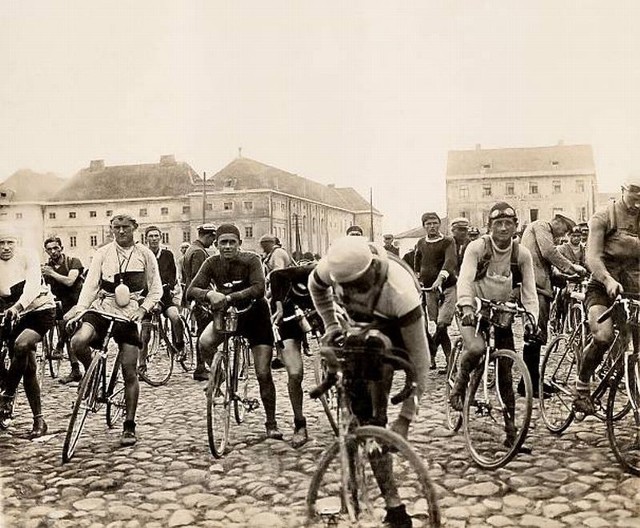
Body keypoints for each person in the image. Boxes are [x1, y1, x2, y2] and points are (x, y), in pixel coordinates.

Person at [308, 236, 429, 528]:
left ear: (373, 269)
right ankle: (356, 439)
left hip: (394, 329)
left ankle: (394, 508)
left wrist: (406, 417)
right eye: (346, 288)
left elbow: (420, 361)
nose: (352, 292)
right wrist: (331, 324)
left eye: (359, 286)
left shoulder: (399, 290)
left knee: (377, 419)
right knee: (357, 410)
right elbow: (315, 285)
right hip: (358, 329)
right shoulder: (332, 267)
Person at [63, 214, 163, 446]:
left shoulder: (145, 255)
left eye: (125, 227)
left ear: (134, 228)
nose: (120, 232)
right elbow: (90, 286)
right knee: (78, 341)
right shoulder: (103, 252)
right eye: (116, 228)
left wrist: (143, 309)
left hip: (129, 312)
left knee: (129, 369)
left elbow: (155, 289)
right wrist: (80, 310)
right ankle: (92, 378)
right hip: (102, 306)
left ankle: (129, 425)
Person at [449, 203, 539, 444]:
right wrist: (466, 306)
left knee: (505, 373)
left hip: (499, 313)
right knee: (477, 348)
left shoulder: (521, 254)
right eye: (497, 223)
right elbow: (465, 279)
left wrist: (532, 319)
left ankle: (511, 432)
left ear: (516, 227)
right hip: (473, 310)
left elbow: (530, 291)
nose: (503, 228)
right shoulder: (477, 247)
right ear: (489, 226)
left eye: (508, 223)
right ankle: (459, 385)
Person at [187, 223, 283, 439]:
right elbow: (191, 289)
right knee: (204, 342)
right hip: (228, 315)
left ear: (240, 244)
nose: (227, 246)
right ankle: (219, 376)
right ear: (217, 245)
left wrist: (229, 297)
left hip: (255, 316)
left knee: (263, 372)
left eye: (232, 242)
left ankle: (271, 422)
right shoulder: (211, 262)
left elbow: (259, 288)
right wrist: (208, 295)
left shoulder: (252, 260)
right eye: (223, 243)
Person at [573, 176, 640, 413]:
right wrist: (607, 279)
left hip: (633, 289)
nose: (638, 200)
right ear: (623, 189)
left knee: (636, 347)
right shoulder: (604, 216)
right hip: (602, 286)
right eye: (635, 193)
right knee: (603, 336)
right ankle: (582, 389)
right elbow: (592, 256)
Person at [520, 212, 587, 397]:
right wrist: (572, 267)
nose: (563, 235)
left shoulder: (544, 232)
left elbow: (546, 267)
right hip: (535, 288)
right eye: (564, 229)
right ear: (556, 221)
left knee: (537, 335)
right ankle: (529, 384)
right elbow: (549, 253)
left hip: (540, 286)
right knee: (534, 334)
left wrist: (568, 276)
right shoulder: (541, 226)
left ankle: (529, 381)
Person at [0, 225, 56, 438]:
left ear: (17, 242)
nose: (5, 248)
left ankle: (8, 394)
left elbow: (32, 286)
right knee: (28, 367)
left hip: (39, 310)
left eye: (9, 242)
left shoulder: (27, 256)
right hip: (10, 312)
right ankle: (39, 422)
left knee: (22, 345)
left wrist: (17, 307)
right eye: (1, 243)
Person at [269, 263, 319, 447]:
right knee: (295, 373)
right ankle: (300, 424)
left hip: (323, 316)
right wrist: (279, 306)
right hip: (292, 317)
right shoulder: (312, 270)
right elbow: (276, 276)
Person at [139, 226, 185, 374]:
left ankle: (179, 344)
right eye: (150, 236)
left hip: (164, 295)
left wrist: (169, 287)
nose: (153, 239)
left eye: (156, 236)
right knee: (145, 332)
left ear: (160, 238)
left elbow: (172, 275)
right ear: (146, 239)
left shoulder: (167, 254)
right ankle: (141, 364)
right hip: (147, 297)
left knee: (175, 317)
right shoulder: (143, 255)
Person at [414, 212, 457, 370]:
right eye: (428, 224)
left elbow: (450, 261)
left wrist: (440, 279)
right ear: (424, 226)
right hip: (429, 290)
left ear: (439, 224)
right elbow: (417, 264)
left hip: (448, 287)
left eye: (434, 223)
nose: (432, 226)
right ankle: (450, 362)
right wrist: (418, 279)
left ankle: (430, 352)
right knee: (439, 326)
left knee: (442, 323)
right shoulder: (420, 243)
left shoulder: (448, 241)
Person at [41, 236, 84, 369]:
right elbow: (43, 287)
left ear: (62, 248)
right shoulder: (47, 267)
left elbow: (70, 281)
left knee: (69, 329)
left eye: (55, 248)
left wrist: (52, 273)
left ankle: (60, 344)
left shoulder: (73, 262)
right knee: (63, 328)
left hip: (77, 301)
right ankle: (75, 368)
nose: (53, 252)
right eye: (49, 249)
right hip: (60, 303)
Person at [182, 224, 217, 381]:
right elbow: (199, 279)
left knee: (203, 332)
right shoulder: (198, 252)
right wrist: (206, 298)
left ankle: (202, 366)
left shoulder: (192, 249)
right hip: (200, 299)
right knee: (205, 334)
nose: (212, 242)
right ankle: (201, 367)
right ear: (208, 236)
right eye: (213, 238)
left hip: (194, 297)